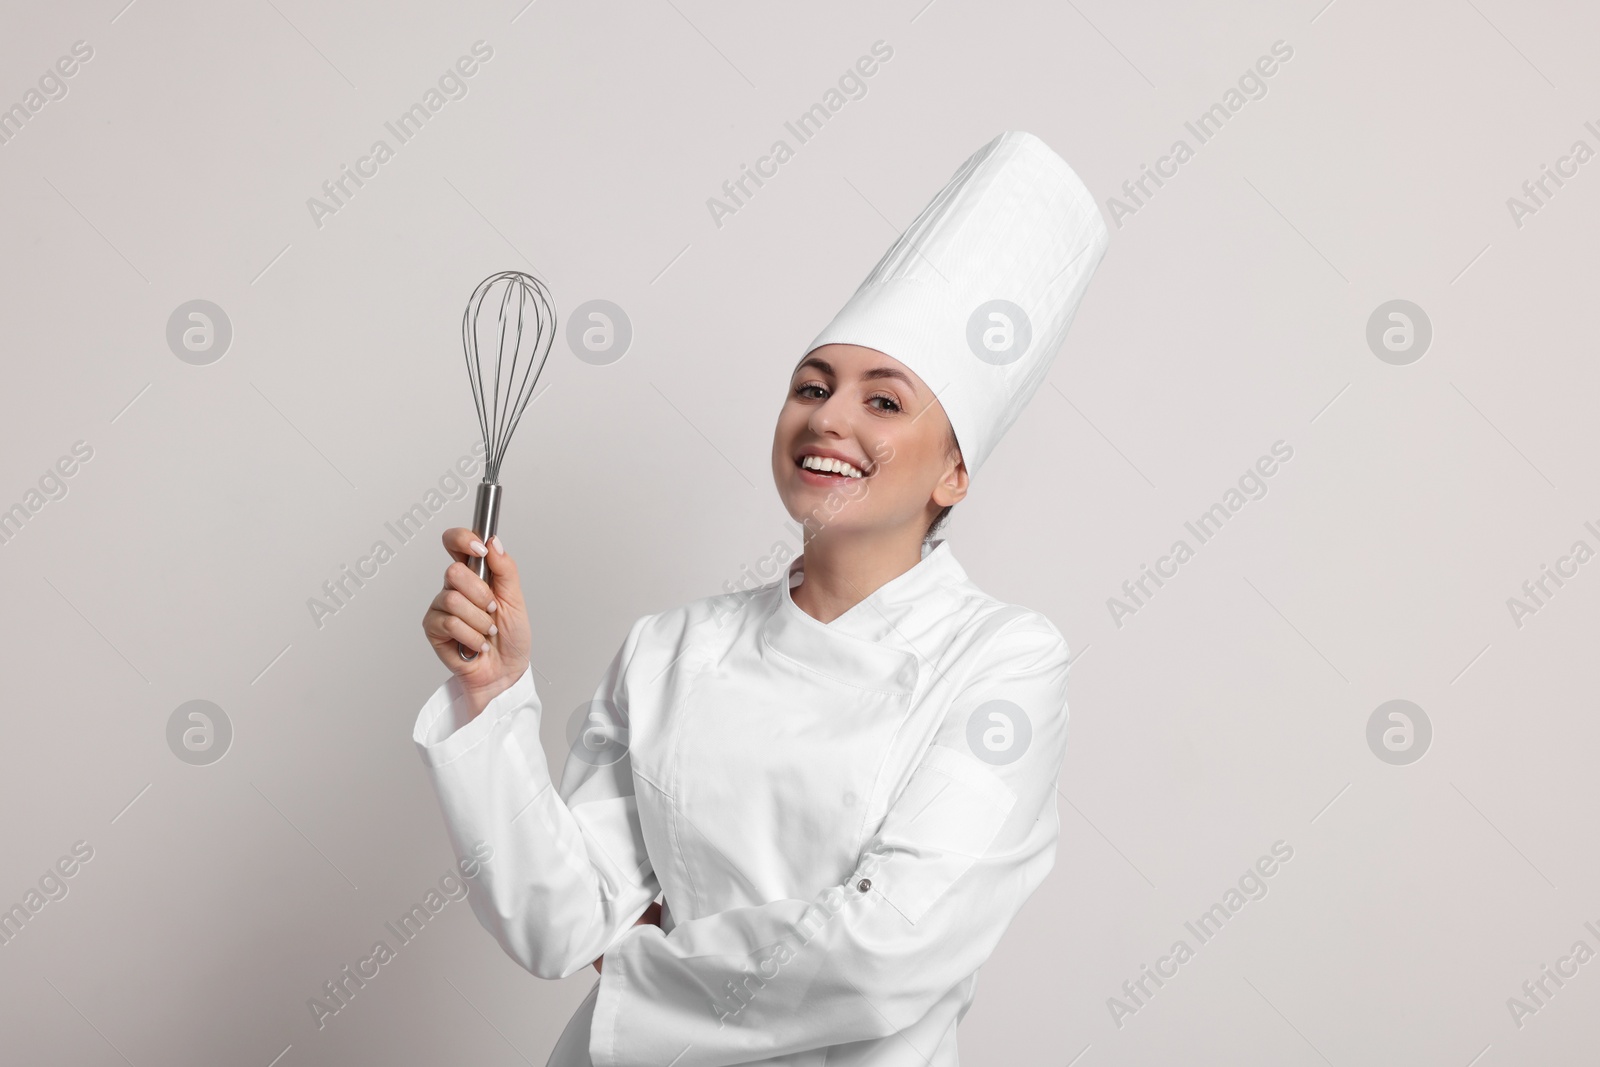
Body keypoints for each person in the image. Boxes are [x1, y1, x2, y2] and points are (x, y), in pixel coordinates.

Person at [414, 130, 1109, 1066]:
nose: (828, 417)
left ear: (954, 469)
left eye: (885, 401)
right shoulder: (671, 647)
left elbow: (889, 952)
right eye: (811, 386)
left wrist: (634, 970)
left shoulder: (1003, 660)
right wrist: (495, 694)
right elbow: (558, 917)